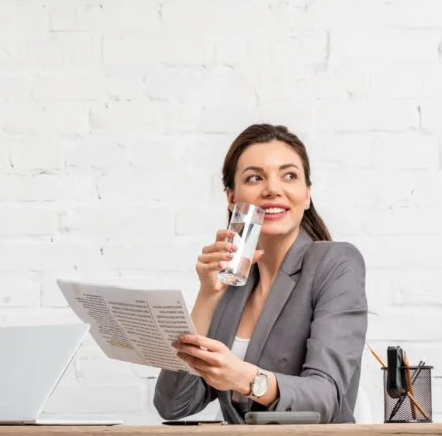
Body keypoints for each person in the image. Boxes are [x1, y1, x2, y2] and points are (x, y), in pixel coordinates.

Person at [153, 123, 368, 424]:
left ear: (307, 195)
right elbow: (173, 404)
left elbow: (326, 397)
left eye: (289, 175)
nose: (272, 189)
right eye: (255, 177)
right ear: (231, 197)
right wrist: (207, 297)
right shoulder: (233, 284)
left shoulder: (335, 263)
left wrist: (245, 378)